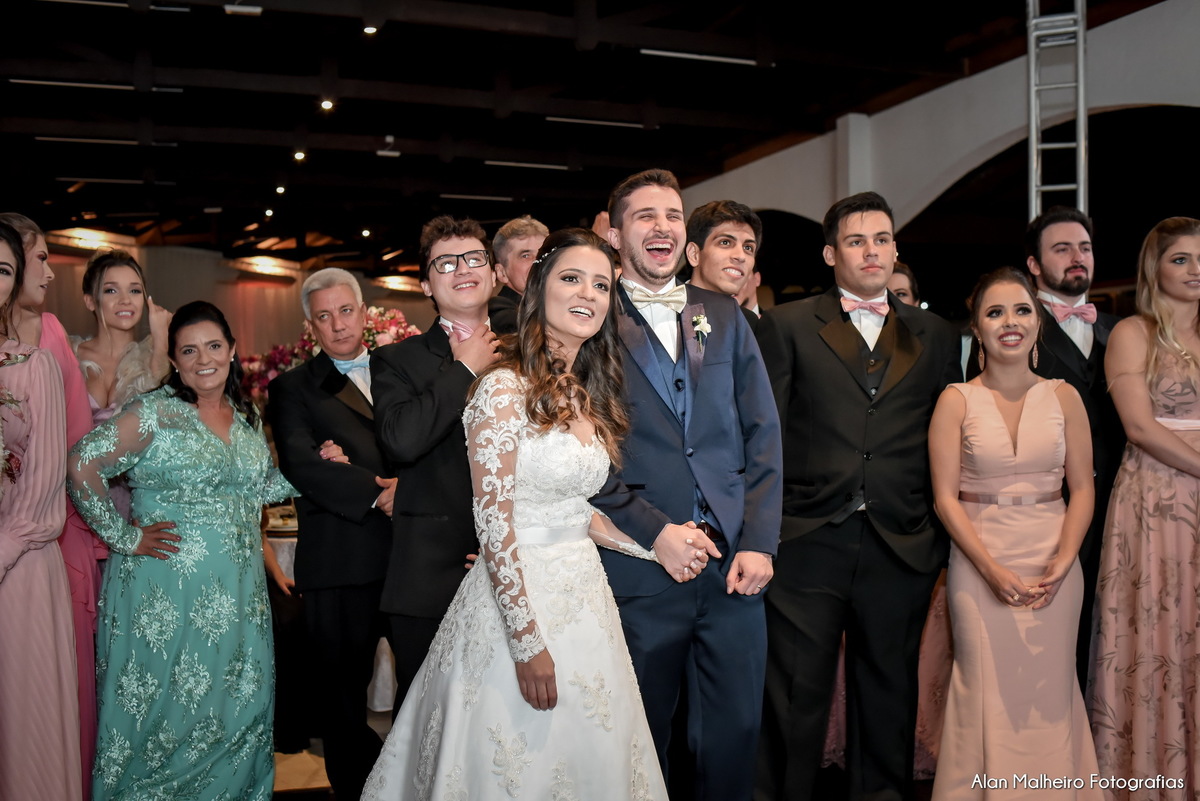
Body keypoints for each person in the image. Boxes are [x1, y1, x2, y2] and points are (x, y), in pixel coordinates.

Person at [362, 228, 668, 800]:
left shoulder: (581, 393)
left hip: (586, 607)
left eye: (601, 284)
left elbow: (578, 511)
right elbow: (496, 522)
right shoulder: (502, 389)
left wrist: (655, 546)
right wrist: (526, 643)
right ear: (538, 291)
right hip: (518, 610)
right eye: (571, 278)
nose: (589, 294)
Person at [754, 191, 961, 801]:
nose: (870, 251)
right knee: (794, 697)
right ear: (830, 253)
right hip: (807, 539)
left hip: (900, 542)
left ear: (895, 249)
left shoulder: (936, 332)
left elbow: (945, 434)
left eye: (881, 239)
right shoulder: (787, 324)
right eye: (855, 241)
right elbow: (764, 434)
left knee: (889, 694)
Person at [589, 169, 783, 801]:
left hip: (733, 568)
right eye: (645, 216)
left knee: (734, 734)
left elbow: (762, 434)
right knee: (642, 738)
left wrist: (759, 541)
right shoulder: (590, 321)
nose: (662, 227)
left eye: (672, 215)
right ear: (615, 234)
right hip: (642, 568)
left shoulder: (722, 315)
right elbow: (584, 457)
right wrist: (655, 534)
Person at [68, 301, 296, 800]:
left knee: (240, 709)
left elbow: (261, 489)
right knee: (168, 715)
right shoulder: (154, 413)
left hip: (241, 598)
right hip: (164, 595)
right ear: (173, 360)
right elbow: (82, 464)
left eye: (214, 346)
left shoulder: (246, 416)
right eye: (188, 350)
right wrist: (124, 537)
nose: (203, 359)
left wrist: (320, 464)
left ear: (233, 351)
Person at [928, 267, 1100, 799]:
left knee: (1050, 694)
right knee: (984, 690)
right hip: (979, 564)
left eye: (1022, 310)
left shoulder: (1064, 396)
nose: (1010, 322)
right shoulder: (955, 399)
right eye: (995, 312)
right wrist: (989, 567)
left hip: (1055, 562)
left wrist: (1065, 558)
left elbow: (1084, 490)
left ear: (1038, 322)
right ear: (976, 329)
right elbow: (944, 499)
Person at [968, 207, 1124, 686]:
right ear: (1034, 265)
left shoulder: (1120, 330)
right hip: (1042, 515)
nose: (1077, 258)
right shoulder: (1012, 332)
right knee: (1046, 651)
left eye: (1085, 248)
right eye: (1062, 249)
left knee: (1114, 634)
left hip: (1119, 503)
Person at [265, 267, 396, 801]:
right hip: (341, 561)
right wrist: (378, 490)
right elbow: (301, 463)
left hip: (414, 555)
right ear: (310, 325)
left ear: (363, 312)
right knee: (341, 704)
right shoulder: (292, 387)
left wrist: (391, 483)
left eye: (346, 311)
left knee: (429, 686)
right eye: (325, 316)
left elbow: (434, 443)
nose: (338, 325)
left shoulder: (401, 371)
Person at [371, 215, 505, 704]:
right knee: (427, 729)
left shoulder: (528, 349)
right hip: (430, 579)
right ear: (426, 283)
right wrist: (466, 366)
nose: (462, 269)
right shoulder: (396, 361)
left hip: (514, 571)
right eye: (445, 263)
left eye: (473, 258)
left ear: (493, 273)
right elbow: (401, 441)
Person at [1090, 217, 1200, 797]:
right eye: (1181, 258)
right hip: (1159, 496)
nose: (1196, 268)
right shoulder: (1135, 332)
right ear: (1154, 268)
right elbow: (1138, 425)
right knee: (1164, 629)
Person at [0, 211, 105, 795]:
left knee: (26, 727)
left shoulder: (32, 363)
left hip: (20, 561)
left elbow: (44, 498)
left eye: (4, 270)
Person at [72, 249, 172, 521]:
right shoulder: (67, 355)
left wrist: (162, 340)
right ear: (90, 301)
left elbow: (162, 413)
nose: (126, 300)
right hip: (72, 502)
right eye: (111, 291)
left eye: (135, 291)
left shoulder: (157, 356)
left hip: (138, 509)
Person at [684, 199, 763, 329]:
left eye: (748, 248)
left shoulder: (751, 324)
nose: (740, 256)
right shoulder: (665, 311)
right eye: (725, 242)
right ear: (694, 254)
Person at [489, 214, 549, 333]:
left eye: (544, 254)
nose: (538, 262)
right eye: (526, 256)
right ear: (501, 273)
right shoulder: (506, 319)